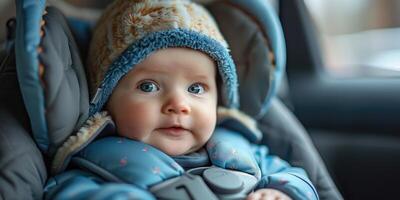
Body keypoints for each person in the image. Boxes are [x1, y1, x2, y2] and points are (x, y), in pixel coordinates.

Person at [45, 0, 319, 199]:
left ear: (218, 100)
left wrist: (281, 191)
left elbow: (295, 176)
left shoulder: (244, 151)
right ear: (106, 98)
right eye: (149, 86)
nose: (178, 104)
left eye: (197, 89)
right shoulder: (94, 166)